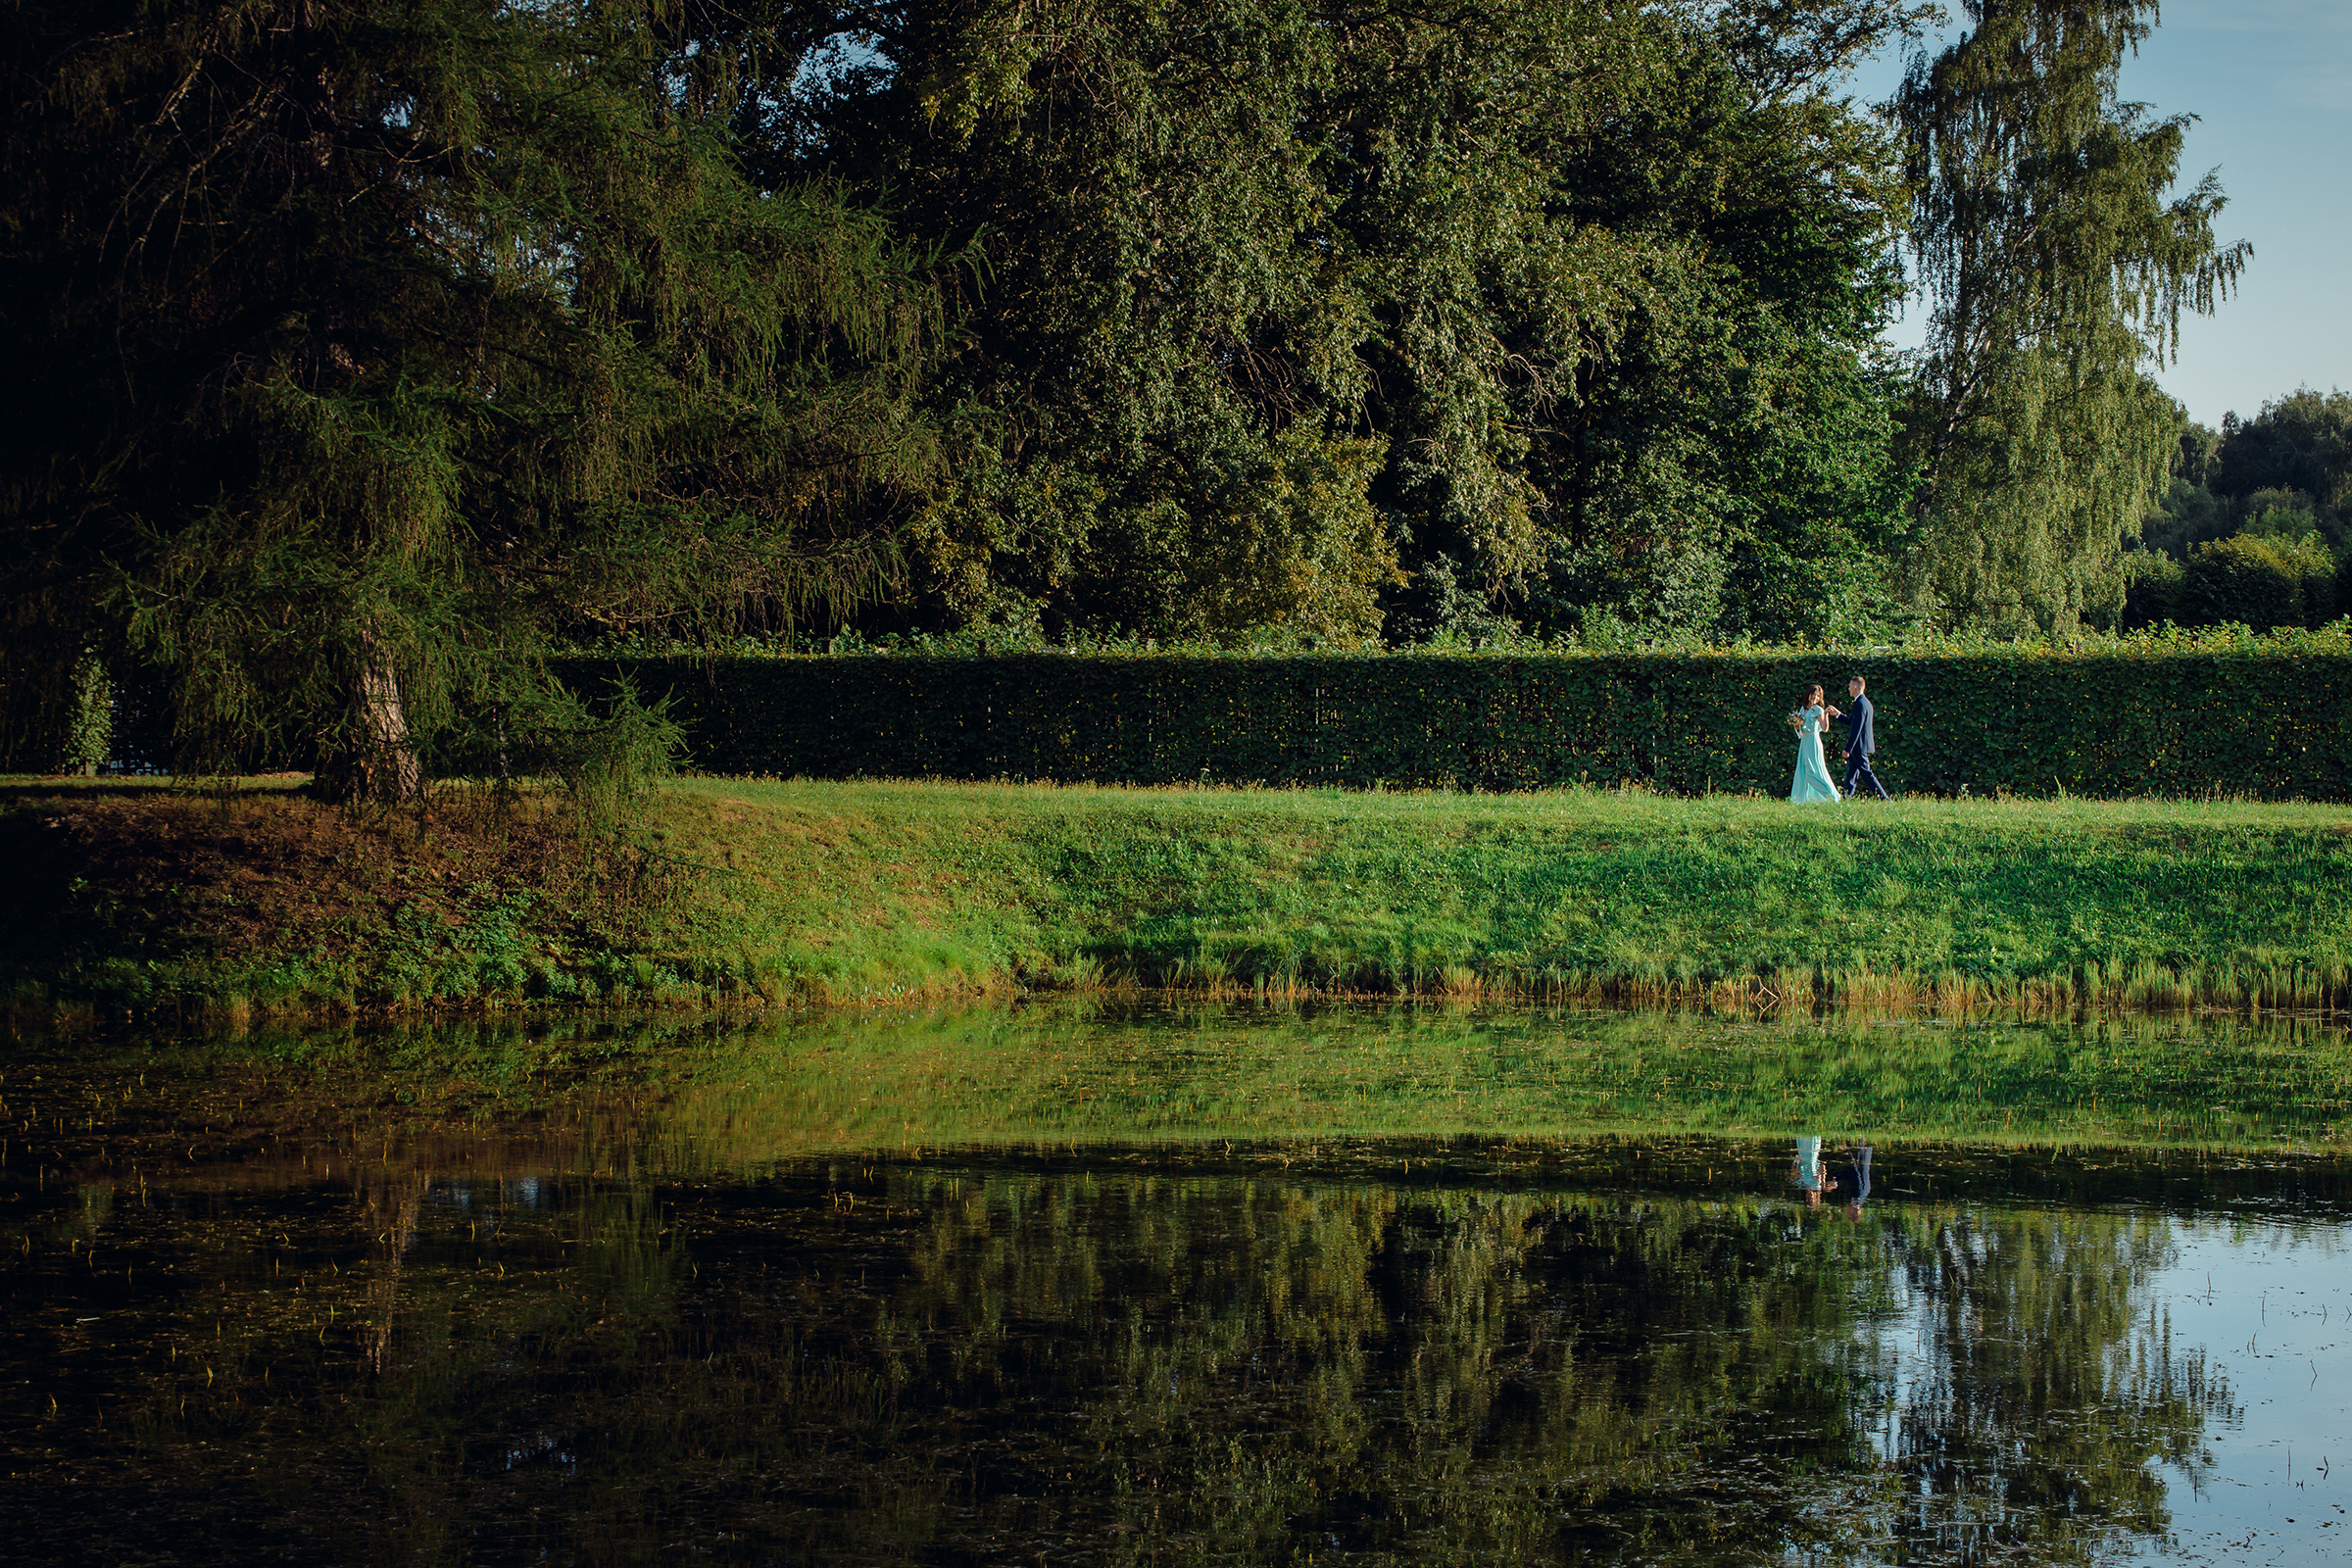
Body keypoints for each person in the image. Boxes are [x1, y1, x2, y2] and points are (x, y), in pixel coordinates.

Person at [1787, 684, 1842, 805]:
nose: (1815, 697)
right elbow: (1800, 731)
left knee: (1814, 771)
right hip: (1804, 741)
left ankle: (1831, 796)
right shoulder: (1803, 709)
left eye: (1818, 696)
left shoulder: (1818, 710)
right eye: (1814, 694)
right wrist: (1796, 726)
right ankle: (1802, 799)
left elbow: (1824, 728)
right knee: (1802, 770)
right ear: (1809, 694)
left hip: (1813, 741)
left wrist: (1826, 714)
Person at [1837, 676, 1889, 800]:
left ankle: (1884, 798)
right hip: (1860, 745)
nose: (1848, 688)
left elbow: (1857, 729)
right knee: (1851, 773)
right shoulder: (1864, 702)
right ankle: (1846, 798)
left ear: (1855, 686)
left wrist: (1848, 748)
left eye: (1850, 686)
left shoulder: (1860, 703)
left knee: (1866, 773)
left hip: (1859, 746)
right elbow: (1854, 723)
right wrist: (1838, 715)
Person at [1790, 1135, 1838, 1206]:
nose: (1811, 1196)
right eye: (1813, 1199)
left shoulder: (1801, 1184)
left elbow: (1794, 1171)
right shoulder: (1818, 1186)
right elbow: (1822, 1169)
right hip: (1813, 1158)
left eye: (1809, 1198)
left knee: (1804, 1141)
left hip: (1803, 1157)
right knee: (1813, 1142)